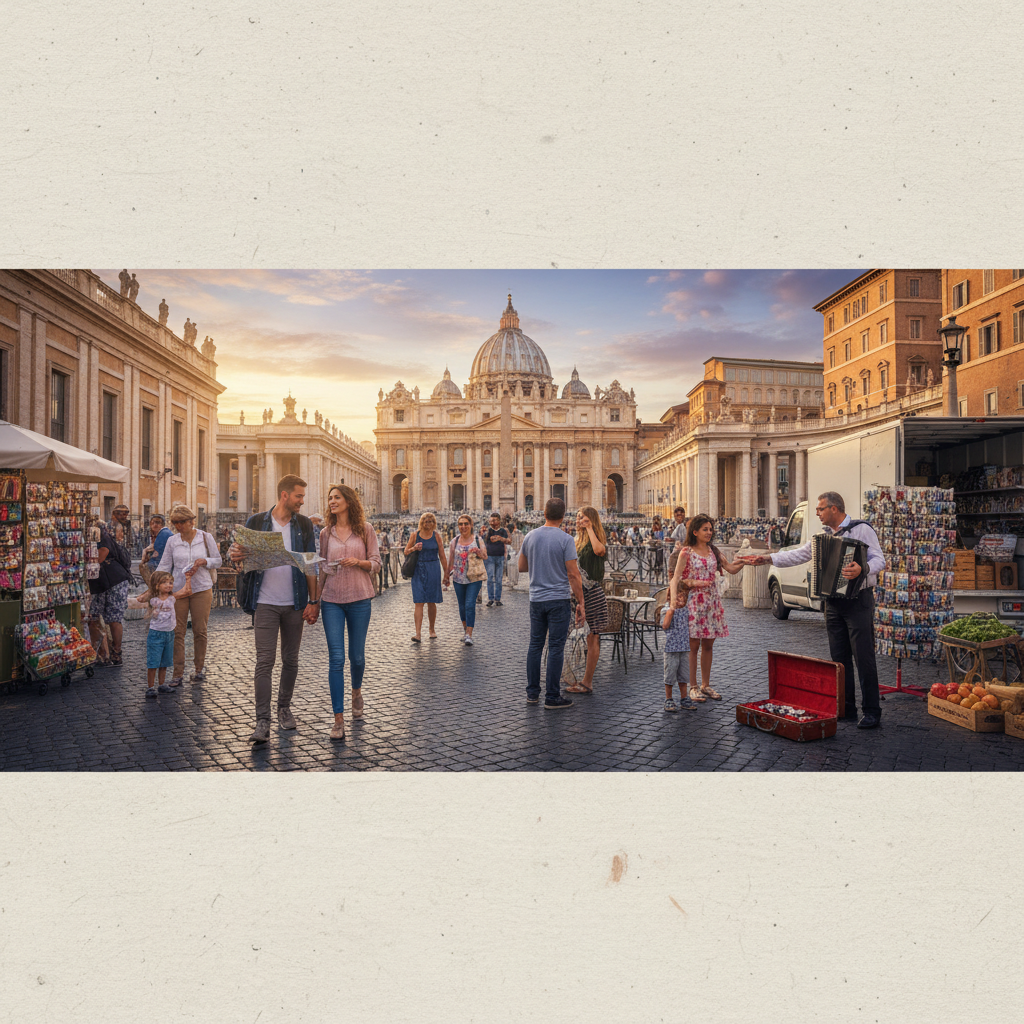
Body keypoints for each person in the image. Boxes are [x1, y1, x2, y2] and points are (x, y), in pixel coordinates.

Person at [741, 491, 886, 729]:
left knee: (864, 658)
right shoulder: (821, 537)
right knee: (839, 659)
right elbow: (798, 555)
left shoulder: (862, 529)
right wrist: (768, 559)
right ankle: (846, 708)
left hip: (858, 601)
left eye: (820, 509)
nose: (817, 513)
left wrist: (864, 568)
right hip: (832, 603)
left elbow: (880, 559)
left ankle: (872, 711)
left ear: (835, 509)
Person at [228, 475, 319, 743]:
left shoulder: (303, 525)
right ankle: (262, 721)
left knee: (291, 660)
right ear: (284, 495)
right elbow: (239, 559)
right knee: (264, 662)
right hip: (265, 601)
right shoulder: (256, 522)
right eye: (299, 496)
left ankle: (284, 708)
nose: (302, 501)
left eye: (303, 497)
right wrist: (235, 556)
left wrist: (314, 601)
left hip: (295, 602)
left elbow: (311, 564)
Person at [310, 485, 381, 741]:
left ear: (349, 501)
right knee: (336, 659)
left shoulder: (366, 530)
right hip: (331, 600)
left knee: (357, 657)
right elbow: (321, 569)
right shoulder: (325, 534)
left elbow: (376, 562)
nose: (331, 502)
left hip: (360, 598)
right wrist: (315, 601)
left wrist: (359, 563)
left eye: (336, 498)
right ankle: (338, 719)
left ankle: (356, 691)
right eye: (329, 498)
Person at [518, 497, 586, 710]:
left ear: (544, 513)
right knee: (556, 647)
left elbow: (521, 566)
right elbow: (574, 575)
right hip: (558, 599)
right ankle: (552, 696)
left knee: (535, 645)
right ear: (563, 515)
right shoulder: (566, 539)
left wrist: (540, 566)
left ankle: (532, 693)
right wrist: (581, 602)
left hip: (536, 598)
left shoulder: (530, 536)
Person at [670, 514, 743, 703]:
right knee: (693, 646)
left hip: (711, 602)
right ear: (695, 532)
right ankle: (693, 687)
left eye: (710, 529)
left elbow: (731, 568)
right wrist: (672, 602)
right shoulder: (686, 552)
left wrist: (746, 561)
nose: (709, 532)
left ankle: (706, 684)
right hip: (694, 601)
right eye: (705, 529)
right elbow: (676, 578)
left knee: (708, 645)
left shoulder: (714, 551)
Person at [155, 504, 222, 686]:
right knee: (178, 631)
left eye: (182, 522)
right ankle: (177, 673)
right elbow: (164, 564)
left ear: (192, 521)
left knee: (200, 630)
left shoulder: (205, 538)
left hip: (201, 588)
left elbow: (218, 561)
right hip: (179, 589)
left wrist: (204, 561)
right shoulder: (172, 541)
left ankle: (199, 669)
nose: (179, 526)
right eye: (175, 522)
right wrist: (155, 585)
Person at [565, 506, 609, 696]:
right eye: (577, 517)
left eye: (581, 517)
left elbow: (600, 550)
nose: (577, 520)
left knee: (593, 637)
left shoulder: (595, 539)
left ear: (590, 519)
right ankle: (568, 675)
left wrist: (590, 528)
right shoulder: (576, 541)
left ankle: (587, 681)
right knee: (563, 633)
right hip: (575, 594)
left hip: (592, 592)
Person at [133, 570, 190, 698]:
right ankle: (150, 687)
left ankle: (162, 684)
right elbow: (139, 599)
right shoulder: (153, 599)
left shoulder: (172, 598)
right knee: (153, 662)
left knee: (165, 661)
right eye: (164, 582)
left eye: (170, 582)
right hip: (156, 634)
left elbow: (186, 591)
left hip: (169, 634)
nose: (168, 585)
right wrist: (151, 588)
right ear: (157, 585)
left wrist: (188, 577)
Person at [88, 518, 134, 666]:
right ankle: (101, 652)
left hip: (115, 581)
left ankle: (116, 652)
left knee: (113, 618)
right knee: (93, 617)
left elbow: (99, 557)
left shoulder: (104, 539)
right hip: (99, 583)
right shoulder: (100, 538)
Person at [405, 512, 448, 642]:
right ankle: (417, 633)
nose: (427, 524)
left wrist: (446, 573)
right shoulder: (414, 535)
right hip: (418, 569)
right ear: (421, 522)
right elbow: (406, 551)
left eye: (430, 521)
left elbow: (442, 555)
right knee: (419, 601)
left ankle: (431, 629)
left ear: (433, 523)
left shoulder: (436, 536)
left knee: (431, 601)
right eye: (425, 521)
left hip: (433, 569)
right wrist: (414, 548)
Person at [444, 515, 486, 645]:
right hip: (458, 578)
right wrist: (446, 576)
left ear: (471, 525)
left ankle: (469, 634)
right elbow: (450, 560)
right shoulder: (454, 541)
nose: (463, 527)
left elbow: (485, 556)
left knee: (469, 604)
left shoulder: (478, 540)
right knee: (462, 606)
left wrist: (478, 552)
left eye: (466, 524)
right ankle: (465, 630)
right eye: (461, 524)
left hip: (474, 578)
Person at [661, 585, 695, 713]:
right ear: (670, 597)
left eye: (683, 596)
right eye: (678, 596)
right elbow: (664, 625)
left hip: (684, 648)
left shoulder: (686, 610)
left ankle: (684, 698)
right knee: (670, 674)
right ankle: (668, 699)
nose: (681, 599)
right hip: (671, 649)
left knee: (684, 675)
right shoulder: (665, 610)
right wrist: (670, 612)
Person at [139, 513, 173, 584]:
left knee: (143, 566)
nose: (155, 525)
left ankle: (153, 588)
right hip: (166, 564)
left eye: (158, 522)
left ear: (163, 524)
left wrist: (144, 558)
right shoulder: (162, 533)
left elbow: (157, 554)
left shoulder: (163, 533)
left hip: (163, 565)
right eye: (152, 523)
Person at [484, 512, 509, 607]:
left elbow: (506, 541)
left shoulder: (503, 531)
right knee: (490, 578)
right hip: (490, 557)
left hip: (500, 556)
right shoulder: (488, 531)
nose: (492, 522)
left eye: (494, 520)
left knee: (499, 579)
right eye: (491, 520)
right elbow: (484, 541)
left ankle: (497, 599)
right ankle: (490, 598)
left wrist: (500, 538)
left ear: (499, 521)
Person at [668, 506, 687, 577]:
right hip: (674, 550)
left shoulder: (685, 525)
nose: (679, 517)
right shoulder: (671, 525)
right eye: (677, 515)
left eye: (681, 515)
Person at [506, 520, 523, 589]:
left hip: (517, 552)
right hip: (510, 552)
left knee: (515, 567)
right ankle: (511, 581)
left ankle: (514, 581)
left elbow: (522, 541)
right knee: (510, 567)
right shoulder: (507, 534)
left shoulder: (519, 533)